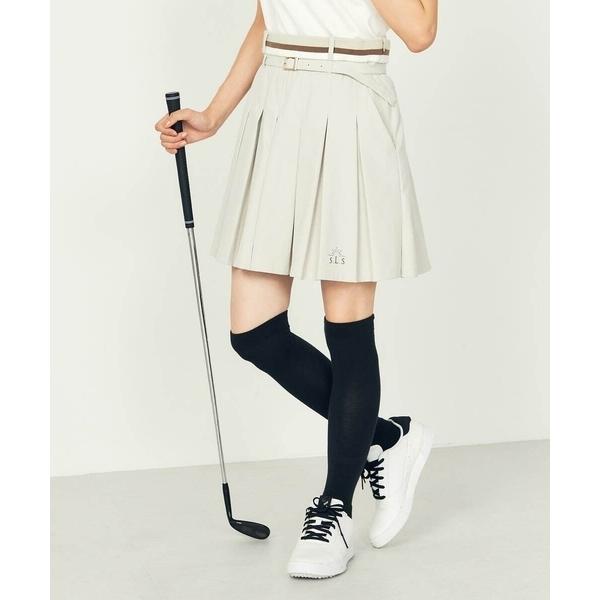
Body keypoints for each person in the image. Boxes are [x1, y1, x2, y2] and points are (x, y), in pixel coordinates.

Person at [155, 0, 437, 579]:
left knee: (347, 324)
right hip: (279, 104)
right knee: (254, 333)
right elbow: (268, 16)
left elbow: (420, 30)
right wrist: (214, 114)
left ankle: (335, 508)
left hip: (352, 97)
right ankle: (384, 438)